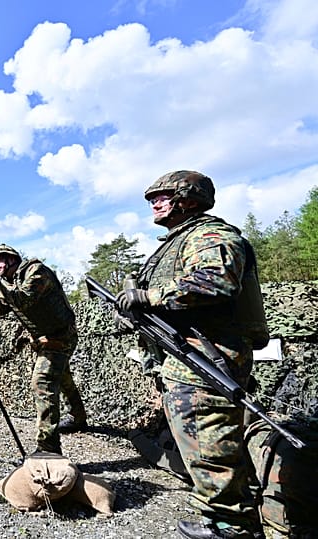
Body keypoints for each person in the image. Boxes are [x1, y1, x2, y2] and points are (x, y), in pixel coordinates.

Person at [115, 170, 266, 539]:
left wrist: (148, 297)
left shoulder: (211, 235)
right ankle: (223, 516)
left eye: (163, 196)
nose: (154, 203)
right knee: (203, 443)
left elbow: (216, 281)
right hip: (189, 357)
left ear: (189, 199)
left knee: (210, 443)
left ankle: (233, 527)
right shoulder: (179, 240)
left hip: (207, 358)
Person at [0, 244, 86, 455]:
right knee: (62, 378)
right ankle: (79, 418)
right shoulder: (10, 282)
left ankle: (48, 448)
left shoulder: (36, 271)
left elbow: (22, 300)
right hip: (47, 339)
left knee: (42, 381)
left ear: (12, 258)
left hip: (61, 336)